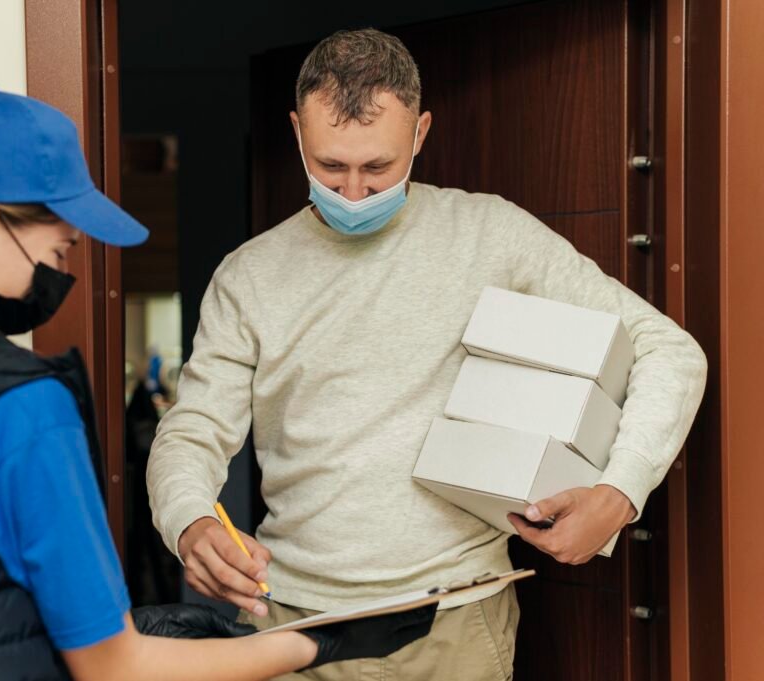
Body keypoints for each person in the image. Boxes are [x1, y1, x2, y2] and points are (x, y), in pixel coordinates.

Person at [0, 86, 436, 681]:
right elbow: (113, 667)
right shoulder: (18, 405)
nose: (59, 268)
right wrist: (316, 641)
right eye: (58, 247)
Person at [146, 28, 709, 680]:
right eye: (330, 166)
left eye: (377, 168)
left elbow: (669, 349)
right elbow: (191, 431)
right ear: (297, 131)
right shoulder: (247, 276)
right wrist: (189, 521)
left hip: (456, 625)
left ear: (420, 133)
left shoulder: (490, 234)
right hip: (288, 622)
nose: (353, 192)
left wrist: (620, 491)